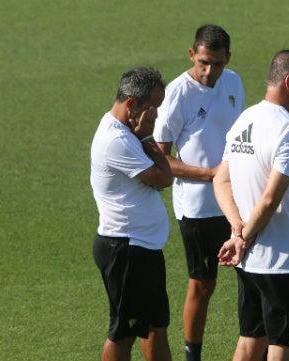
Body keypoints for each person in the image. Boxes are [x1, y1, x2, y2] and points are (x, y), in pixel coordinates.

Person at [213, 50, 289, 361]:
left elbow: (220, 180)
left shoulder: (245, 118)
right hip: (284, 260)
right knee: (284, 347)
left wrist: (237, 232)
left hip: (249, 261)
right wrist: (243, 236)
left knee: (249, 342)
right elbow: (271, 199)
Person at [153, 24, 245, 361]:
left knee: (254, 277)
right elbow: (160, 157)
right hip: (198, 208)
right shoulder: (177, 94)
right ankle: (193, 356)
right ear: (192, 54)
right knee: (203, 284)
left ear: (228, 59)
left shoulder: (233, 82)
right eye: (204, 62)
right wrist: (212, 176)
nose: (209, 71)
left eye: (217, 63)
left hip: (238, 203)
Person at [90, 67, 174, 361]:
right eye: (153, 109)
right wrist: (149, 136)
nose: (156, 116)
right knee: (122, 333)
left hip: (143, 246)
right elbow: (164, 177)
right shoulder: (119, 141)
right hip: (125, 248)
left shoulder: (126, 133)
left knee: (156, 327)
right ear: (131, 105)